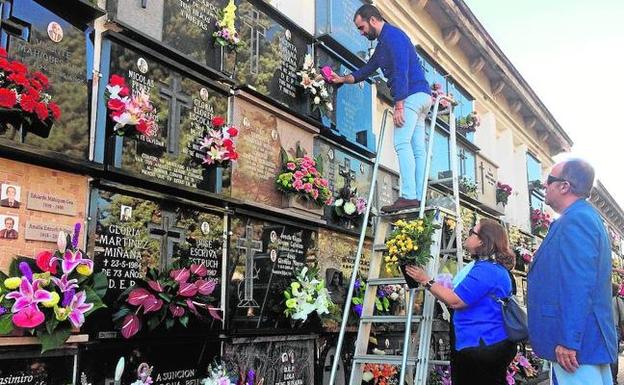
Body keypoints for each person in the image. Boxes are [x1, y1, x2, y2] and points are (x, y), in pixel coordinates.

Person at [328, 4, 431, 213]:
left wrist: (399, 105)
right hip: (422, 97)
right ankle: (419, 197)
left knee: (402, 143)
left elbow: (401, 70)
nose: (361, 32)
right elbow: (366, 70)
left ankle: (410, 195)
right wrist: (342, 79)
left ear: (373, 20)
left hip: (411, 96)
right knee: (417, 149)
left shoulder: (393, 37)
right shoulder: (384, 44)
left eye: (362, 27)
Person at [527, 159, 617, 385]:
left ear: (564, 186)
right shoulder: (582, 217)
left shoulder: (576, 221)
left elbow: (578, 283)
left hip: (577, 348)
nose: (544, 186)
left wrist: (569, 340)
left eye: (549, 181)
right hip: (582, 343)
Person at [405, 218, 517, 385]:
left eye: (473, 232)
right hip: (480, 343)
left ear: (482, 240)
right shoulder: (487, 267)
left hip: (482, 345)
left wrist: (425, 280)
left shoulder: (488, 270)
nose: (468, 234)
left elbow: (456, 300)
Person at [611, 283, 624, 385]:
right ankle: (613, 379)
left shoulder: (602, 300)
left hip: (604, 330)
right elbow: (623, 318)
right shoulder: (617, 300)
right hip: (615, 329)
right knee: (614, 355)